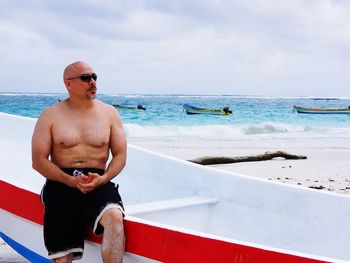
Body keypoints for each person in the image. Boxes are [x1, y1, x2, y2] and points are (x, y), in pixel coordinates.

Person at [32, 61, 127, 263]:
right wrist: (69, 181)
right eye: (86, 78)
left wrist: (104, 179)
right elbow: (39, 160)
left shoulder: (109, 113)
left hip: (98, 180)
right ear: (68, 84)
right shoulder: (50, 116)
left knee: (114, 218)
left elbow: (120, 155)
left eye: (94, 77)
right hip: (61, 181)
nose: (92, 82)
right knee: (63, 252)